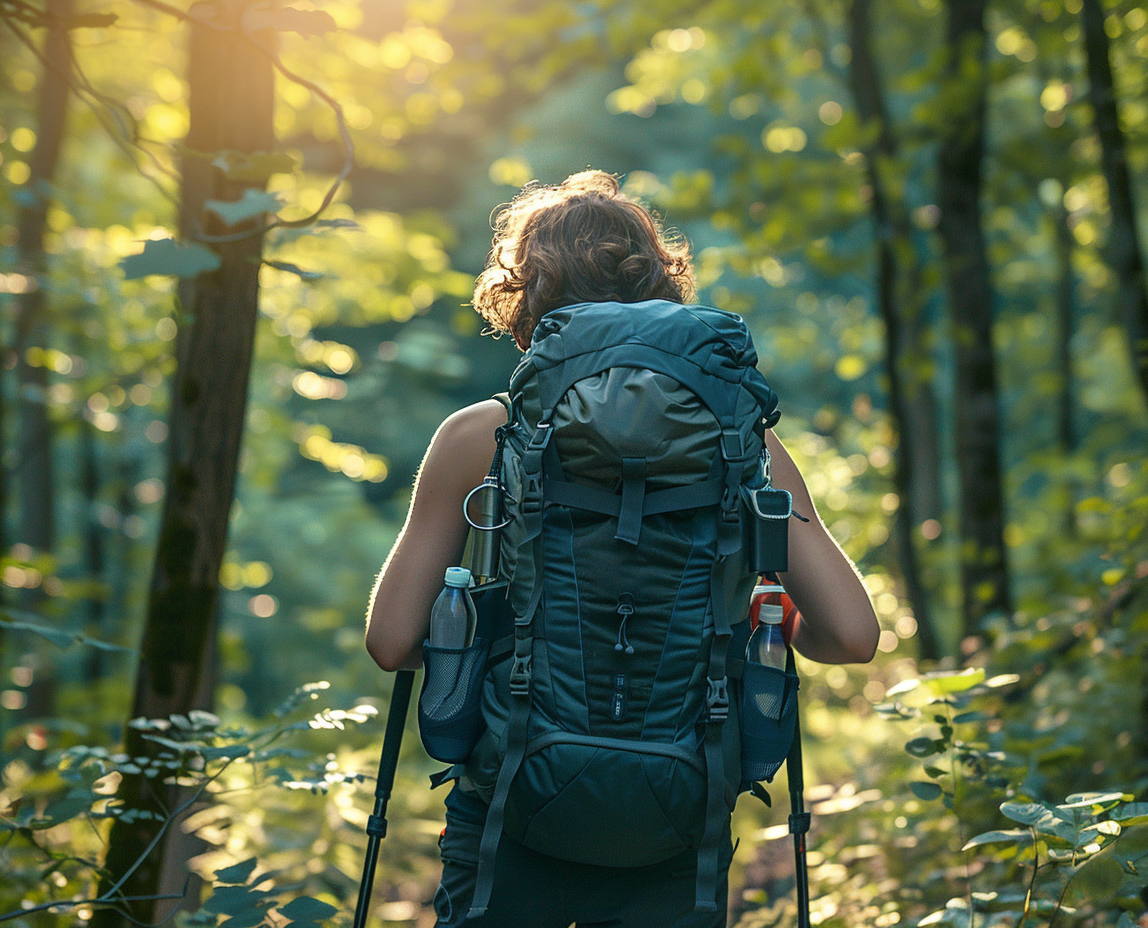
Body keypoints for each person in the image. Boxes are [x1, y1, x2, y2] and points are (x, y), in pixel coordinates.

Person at [365, 170, 880, 927]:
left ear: (525, 304)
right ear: (660, 288)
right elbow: (854, 635)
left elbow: (391, 641)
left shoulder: (481, 435)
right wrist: (747, 616)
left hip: (510, 810)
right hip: (676, 818)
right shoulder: (744, 443)